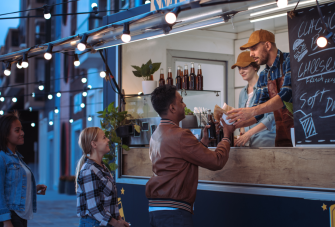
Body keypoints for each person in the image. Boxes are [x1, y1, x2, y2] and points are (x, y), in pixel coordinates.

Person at [145, 85, 235, 227]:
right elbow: (216, 162)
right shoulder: (181, 135)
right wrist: (227, 136)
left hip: (156, 210)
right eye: (181, 101)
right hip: (174, 212)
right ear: (172, 108)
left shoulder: (155, 134)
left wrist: (202, 144)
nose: (185, 104)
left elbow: (179, 161)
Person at [227, 29, 294, 147]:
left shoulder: (290, 61)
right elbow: (258, 115)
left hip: (299, 132)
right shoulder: (264, 75)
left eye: (253, 49)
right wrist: (235, 125)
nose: (251, 54)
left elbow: (286, 95)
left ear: (267, 45)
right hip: (281, 135)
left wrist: (252, 111)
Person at [0, 111, 47, 227]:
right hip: (10, 215)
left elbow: (11, 186)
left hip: (20, 215)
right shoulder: (2, 158)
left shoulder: (17, 157)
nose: (22, 133)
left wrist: (33, 189)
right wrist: (6, 220)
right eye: (17, 130)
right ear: (5, 134)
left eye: (21, 129)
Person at [76, 127, 130, 227]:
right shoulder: (89, 170)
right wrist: (116, 223)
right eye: (104, 138)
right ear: (94, 144)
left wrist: (119, 219)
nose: (108, 140)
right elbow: (94, 207)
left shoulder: (102, 167)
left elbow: (110, 202)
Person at [232, 51, 276, 147]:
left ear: (255, 67)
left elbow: (271, 117)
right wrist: (242, 130)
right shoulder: (242, 93)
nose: (241, 71)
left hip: (264, 140)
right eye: (239, 68)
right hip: (247, 141)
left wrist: (249, 133)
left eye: (245, 67)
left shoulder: (267, 87)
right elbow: (242, 117)